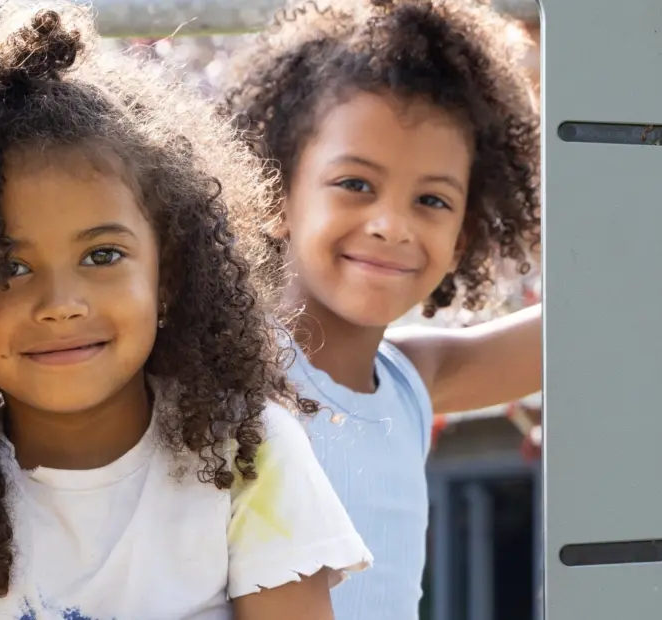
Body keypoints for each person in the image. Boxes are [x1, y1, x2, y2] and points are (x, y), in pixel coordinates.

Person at [0, 3, 371, 618]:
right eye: (7, 269)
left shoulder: (246, 452)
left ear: (169, 272)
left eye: (102, 255)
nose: (61, 305)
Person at [220, 0, 546, 617]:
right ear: (274, 194)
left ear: (462, 238)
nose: (391, 225)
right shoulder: (231, 370)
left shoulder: (410, 383)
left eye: (432, 200)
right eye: (356, 185)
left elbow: (588, 331)